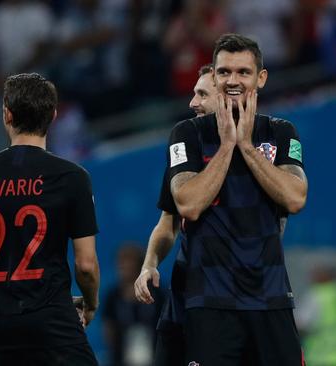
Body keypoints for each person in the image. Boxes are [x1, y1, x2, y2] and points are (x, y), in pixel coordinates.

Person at [150, 33, 308, 365]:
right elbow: (188, 204)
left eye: (243, 73)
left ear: (261, 78)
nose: (232, 81)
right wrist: (226, 146)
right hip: (210, 304)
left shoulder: (281, 133)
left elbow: (295, 198)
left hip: (271, 299)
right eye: (224, 73)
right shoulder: (188, 134)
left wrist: (247, 146)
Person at [0, 73, 100, 366]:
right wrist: (91, 303)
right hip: (55, 324)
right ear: (54, 115)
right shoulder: (72, 177)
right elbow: (85, 265)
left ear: (7, 115)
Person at [133, 64, 216, 366]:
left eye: (202, 94)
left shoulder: (252, 151)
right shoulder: (183, 146)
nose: (193, 102)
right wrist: (149, 265)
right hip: (184, 296)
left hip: (230, 298)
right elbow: (168, 223)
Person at [103, 243, 162, 366]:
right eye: (122, 263)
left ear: (139, 265)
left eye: (129, 262)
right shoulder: (113, 296)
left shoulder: (157, 293)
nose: (124, 267)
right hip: (122, 357)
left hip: (154, 356)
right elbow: (109, 330)